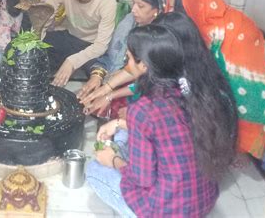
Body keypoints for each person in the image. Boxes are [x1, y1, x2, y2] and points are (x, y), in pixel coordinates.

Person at [86, 24, 237, 216]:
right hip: (203, 202)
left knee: (95, 170)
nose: (127, 64)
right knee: (123, 134)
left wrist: (113, 160)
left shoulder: (144, 108)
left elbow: (142, 179)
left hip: (167, 210)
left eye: (130, 58)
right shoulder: (192, 90)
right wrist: (117, 123)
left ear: (144, 65)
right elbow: (171, 132)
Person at [167, 0, 265, 168]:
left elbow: (247, 91)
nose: (170, 12)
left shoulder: (238, 29)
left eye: (175, 8)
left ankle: (240, 146)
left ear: (192, 6)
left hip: (256, 89)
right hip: (219, 87)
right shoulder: (194, 27)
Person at [78, 0, 167, 106]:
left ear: (157, 9)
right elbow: (111, 57)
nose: (134, 10)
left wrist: (110, 93)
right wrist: (97, 76)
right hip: (121, 82)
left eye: (140, 6)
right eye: (133, 3)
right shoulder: (129, 22)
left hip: (150, 95)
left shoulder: (165, 39)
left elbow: (150, 83)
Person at [43, 0, 116, 87]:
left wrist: (72, 61)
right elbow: (43, 20)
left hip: (92, 46)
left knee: (99, 72)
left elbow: (100, 46)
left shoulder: (108, 2)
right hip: (69, 38)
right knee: (38, 48)